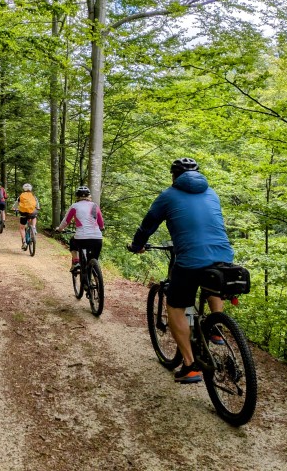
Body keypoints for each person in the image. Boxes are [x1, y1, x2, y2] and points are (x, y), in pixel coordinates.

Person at [127, 157, 234, 384]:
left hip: (190, 260)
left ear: (174, 176)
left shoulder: (168, 195)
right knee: (212, 285)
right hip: (224, 257)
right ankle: (215, 328)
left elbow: (148, 225)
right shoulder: (212, 193)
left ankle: (190, 365)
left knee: (176, 306)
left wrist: (137, 246)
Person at [55, 186, 104, 287]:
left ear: (77, 196)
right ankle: (95, 282)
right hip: (97, 239)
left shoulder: (75, 206)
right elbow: (100, 222)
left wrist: (59, 229)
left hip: (82, 238)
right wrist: (102, 228)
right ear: (89, 196)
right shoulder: (95, 206)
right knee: (93, 260)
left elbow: (66, 221)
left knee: (73, 240)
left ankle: (76, 261)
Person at [13, 183, 40, 249]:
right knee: (34, 215)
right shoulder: (33, 196)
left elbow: (16, 204)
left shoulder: (21, 196)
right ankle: (33, 227)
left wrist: (14, 208)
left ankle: (24, 242)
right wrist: (38, 207)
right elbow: (37, 204)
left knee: (22, 228)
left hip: (23, 213)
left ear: (23, 189)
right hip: (32, 212)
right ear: (30, 189)